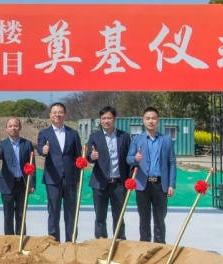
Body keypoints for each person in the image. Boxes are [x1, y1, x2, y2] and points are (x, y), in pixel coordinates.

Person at [127, 106, 177, 243]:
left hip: (160, 185)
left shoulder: (166, 140)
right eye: (148, 118)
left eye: (153, 118)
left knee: (159, 219)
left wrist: (171, 184)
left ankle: (160, 247)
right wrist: (135, 158)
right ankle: (145, 245)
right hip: (142, 184)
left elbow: (172, 162)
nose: (150, 121)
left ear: (158, 120)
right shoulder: (137, 139)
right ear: (143, 121)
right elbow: (128, 158)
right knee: (144, 219)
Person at [37, 102, 82, 242]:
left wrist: (78, 178)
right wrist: (43, 150)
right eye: (55, 112)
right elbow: (40, 148)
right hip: (52, 178)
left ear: (65, 114)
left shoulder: (73, 133)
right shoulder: (44, 134)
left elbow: (78, 156)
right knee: (53, 211)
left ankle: (71, 240)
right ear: (50, 115)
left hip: (70, 178)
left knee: (71, 212)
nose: (57, 115)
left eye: (60, 112)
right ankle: (53, 240)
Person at [87, 106, 131, 240]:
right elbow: (88, 156)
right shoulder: (94, 137)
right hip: (100, 184)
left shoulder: (124, 136)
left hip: (119, 184)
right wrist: (92, 156)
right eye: (103, 118)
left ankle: (119, 243)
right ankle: (101, 244)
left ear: (115, 119)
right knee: (100, 217)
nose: (106, 121)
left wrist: (129, 179)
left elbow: (129, 159)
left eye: (109, 118)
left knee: (119, 217)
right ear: (100, 120)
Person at [0, 117, 36, 235]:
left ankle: (21, 238)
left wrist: (32, 183)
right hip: (7, 184)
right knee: (8, 215)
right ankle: (9, 239)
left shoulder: (27, 144)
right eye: (10, 126)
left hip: (22, 183)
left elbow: (32, 165)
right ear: (6, 129)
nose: (13, 128)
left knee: (21, 214)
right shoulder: (2, 144)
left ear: (20, 128)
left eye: (16, 125)